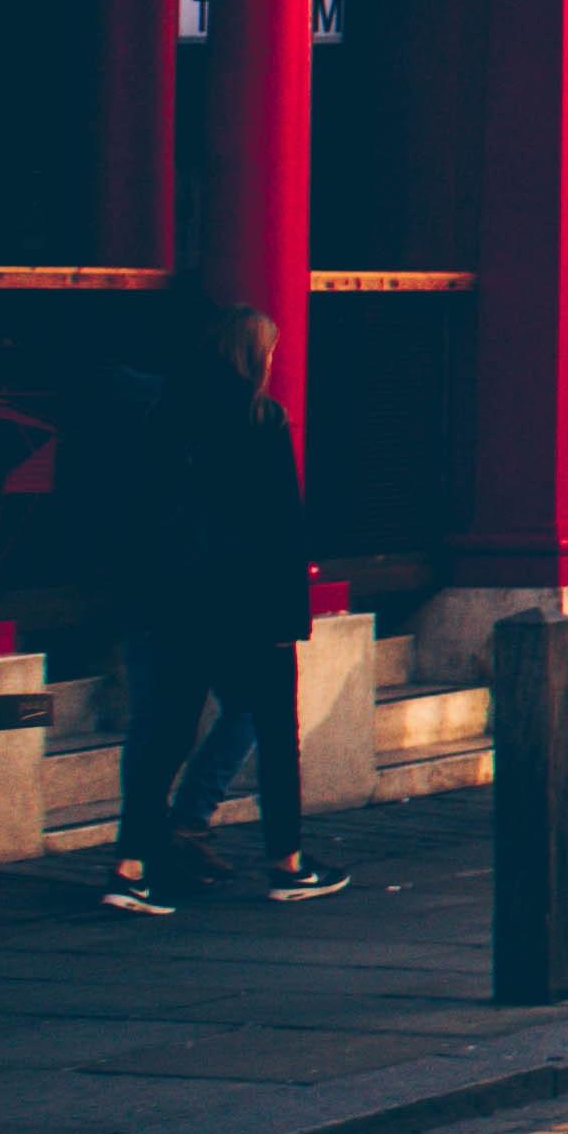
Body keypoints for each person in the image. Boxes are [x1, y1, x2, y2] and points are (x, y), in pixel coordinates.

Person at [98, 308, 347, 915]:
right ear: (251, 356)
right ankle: (286, 862)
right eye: (269, 351)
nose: (272, 361)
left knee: (163, 734)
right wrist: (291, 617)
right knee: (274, 732)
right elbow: (280, 526)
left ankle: (131, 869)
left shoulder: (162, 415)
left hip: (177, 604)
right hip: (249, 605)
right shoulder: (261, 419)